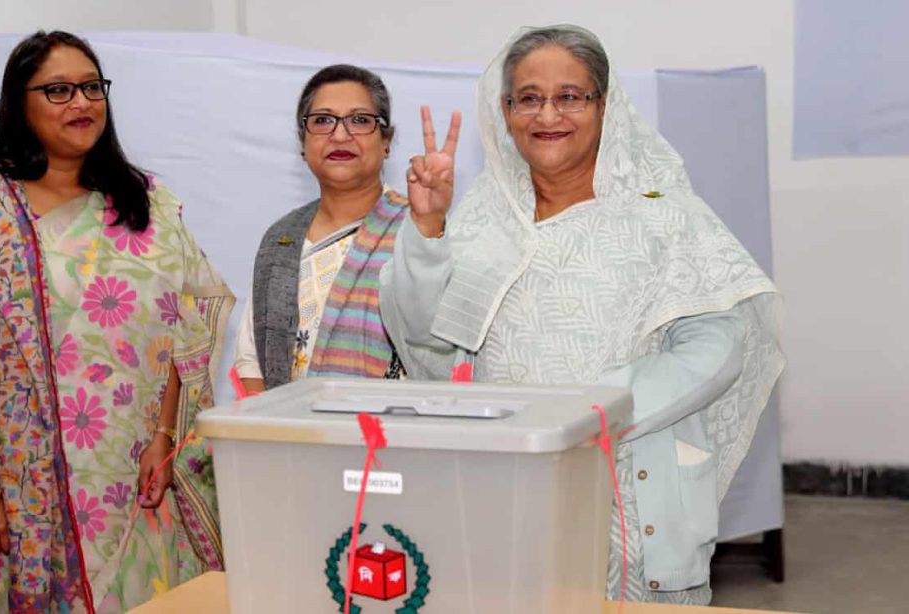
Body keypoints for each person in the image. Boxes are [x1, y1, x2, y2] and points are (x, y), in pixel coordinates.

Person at [381, 25, 784, 604]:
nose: (549, 114)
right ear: (506, 110)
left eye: (570, 95)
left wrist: (591, 408)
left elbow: (719, 344)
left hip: (629, 486)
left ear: (605, 104)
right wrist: (426, 228)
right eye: (529, 97)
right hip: (505, 487)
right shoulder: (478, 219)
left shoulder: (661, 213)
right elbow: (424, 340)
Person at [0, 31, 233, 612]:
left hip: (139, 483)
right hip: (21, 486)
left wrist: (163, 439)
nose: (80, 103)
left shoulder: (147, 202)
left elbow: (187, 329)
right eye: (58, 90)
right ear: (20, 103)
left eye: (91, 87)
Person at [233, 64, 407, 393]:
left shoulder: (417, 232)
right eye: (323, 120)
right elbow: (252, 359)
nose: (340, 135)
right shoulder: (281, 239)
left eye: (360, 120)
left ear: (386, 142)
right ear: (303, 142)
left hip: (386, 436)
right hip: (285, 436)